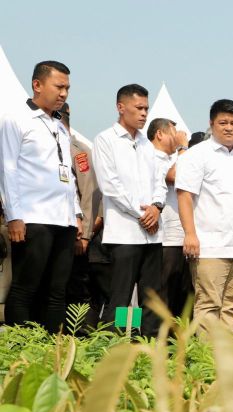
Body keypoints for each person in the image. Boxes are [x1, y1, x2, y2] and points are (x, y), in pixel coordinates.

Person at [0, 60, 83, 332]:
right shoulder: (16, 119)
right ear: (37, 85)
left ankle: (51, 350)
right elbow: (7, 170)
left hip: (64, 220)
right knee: (26, 287)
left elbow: (68, 174)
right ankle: (20, 350)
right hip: (33, 217)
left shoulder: (59, 125)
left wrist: (77, 214)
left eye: (67, 88)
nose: (64, 94)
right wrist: (14, 216)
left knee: (57, 290)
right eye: (58, 86)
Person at [176, 99, 233, 334]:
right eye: (223, 122)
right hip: (209, 246)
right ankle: (206, 364)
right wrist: (190, 234)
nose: (229, 127)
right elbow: (184, 195)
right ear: (211, 124)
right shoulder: (197, 155)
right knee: (208, 307)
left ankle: (224, 361)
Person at [93, 84, 166, 336]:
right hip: (124, 234)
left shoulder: (147, 144)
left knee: (151, 299)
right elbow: (110, 186)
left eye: (146, 108)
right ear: (121, 107)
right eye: (139, 108)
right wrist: (142, 214)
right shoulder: (105, 140)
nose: (144, 113)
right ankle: (111, 345)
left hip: (153, 234)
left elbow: (160, 182)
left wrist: (156, 207)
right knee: (121, 297)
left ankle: (150, 348)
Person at [61, 103, 101, 324]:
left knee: (79, 289)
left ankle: (81, 332)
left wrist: (85, 234)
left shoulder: (78, 151)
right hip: (55, 229)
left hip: (79, 234)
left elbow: (89, 194)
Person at [148, 119, 192, 318]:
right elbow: (176, 175)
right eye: (174, 131)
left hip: (177, 238)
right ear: (160, 134)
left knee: (177, 296)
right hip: (162, 238)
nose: (179, 135)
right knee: (159, 295)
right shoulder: (151, 156)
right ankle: (136, 336)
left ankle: (172, 342)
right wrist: (183, 147)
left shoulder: (170, 159)